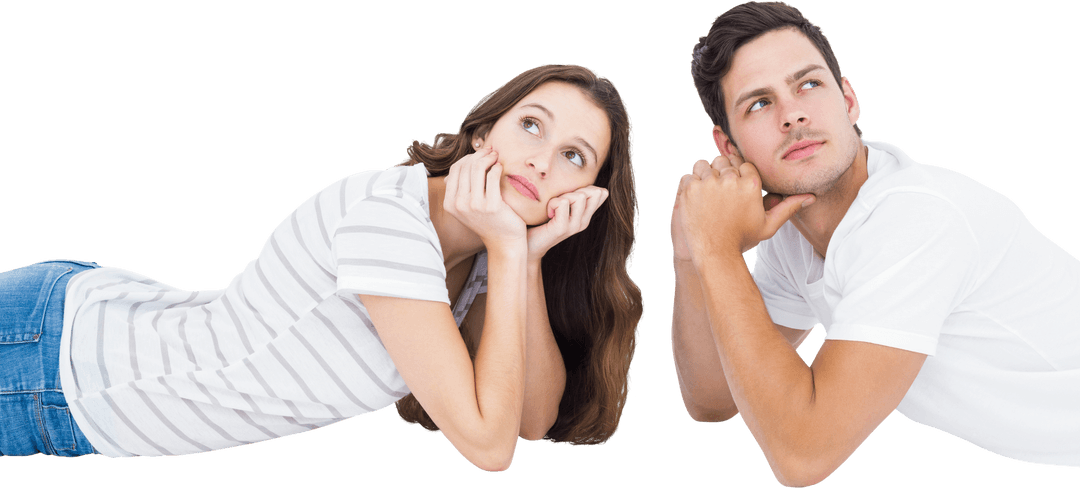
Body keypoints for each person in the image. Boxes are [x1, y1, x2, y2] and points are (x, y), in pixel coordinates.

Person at [0, 63, 644, 472]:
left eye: (574, 157)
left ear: (581, 197)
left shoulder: (478, 259)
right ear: (482, 137)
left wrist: (521, 261)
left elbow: (528, 420)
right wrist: (510, 251)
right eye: (531, 126)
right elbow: (488, 445)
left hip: (78, 383)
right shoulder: (390, 223)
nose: (541, 162)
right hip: (50, 361)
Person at [670, 2, 1080, 486]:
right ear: (729, 149)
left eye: (808, 84)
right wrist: (691, 255)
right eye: (758, 103)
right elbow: (714, 398)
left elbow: (803, 455)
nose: (792, 114)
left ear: (848, 102)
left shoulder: (916, 219)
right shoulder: (791, 233)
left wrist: (717, 250)